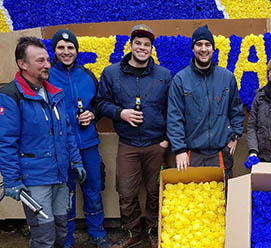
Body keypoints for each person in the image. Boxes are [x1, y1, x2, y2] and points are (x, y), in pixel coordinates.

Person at [0, 37, 86, 247]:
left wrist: (76, 162)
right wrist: (11, 179)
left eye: (47, 59)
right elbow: (6, 142)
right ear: (23, 64)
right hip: (35, 181)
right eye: (40, 61)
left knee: (60, 231)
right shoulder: (11, 96)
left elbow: (67, 133)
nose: (47, 64)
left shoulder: (55, 94)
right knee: (43, 235)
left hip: (60, 176)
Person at [96, 24, 172, 248]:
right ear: (130, 45)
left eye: (147, 44)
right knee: (126, 191)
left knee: (155, 191)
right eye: (138, 43)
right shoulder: (111, 73)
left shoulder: (164, 75)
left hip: (157, 144)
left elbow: (173, 109)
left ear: (151, 48)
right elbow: (101, 104)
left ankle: (152, 229)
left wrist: (167, 139)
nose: (142, 48)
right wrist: (120, 113)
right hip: (128, 143)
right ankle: (132, 232)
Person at [48, 29, 112, 248]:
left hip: (88, 143)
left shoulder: (87, 75)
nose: (66, 52)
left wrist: (93, 114)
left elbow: (100, 103)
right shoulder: (46, 77)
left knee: (93, 189)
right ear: (54, 50)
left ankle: (97, 232)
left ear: (76, 50)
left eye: (70, 48)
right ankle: (66, 238)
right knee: (65, 194)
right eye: (61, 47)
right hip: (60, 147)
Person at [167, 25, 244, 178]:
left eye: (207, 44)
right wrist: (179, 149)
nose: (203, 49)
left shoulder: (227, 77)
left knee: (222, 198)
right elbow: (174, 117)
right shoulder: (180, 80)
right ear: (193, 48)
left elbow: (236, 109)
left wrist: (235, 135)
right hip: (191, 153)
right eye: (199, 44)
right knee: (195, 198)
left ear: (213, 48)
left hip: (220, 152)